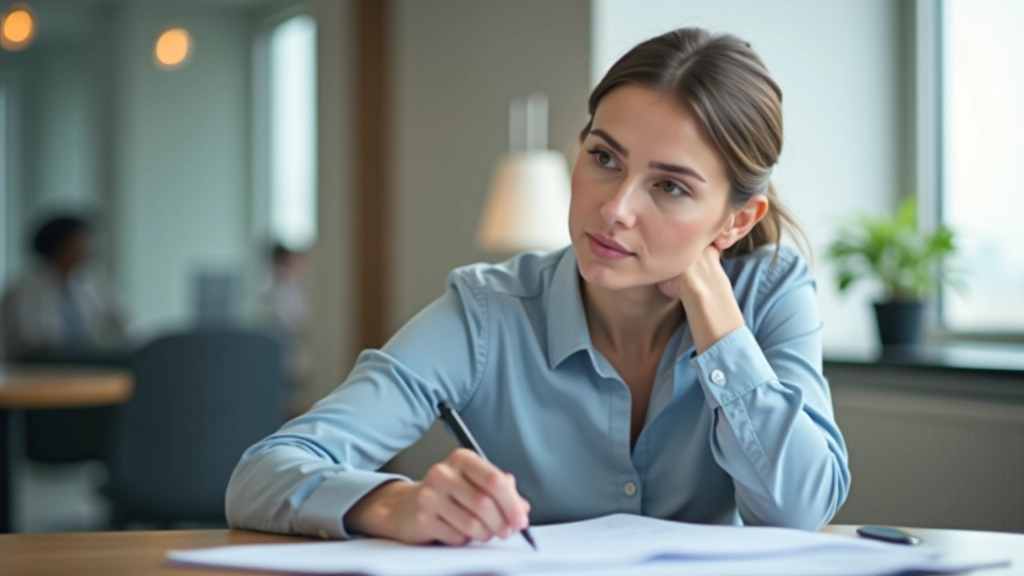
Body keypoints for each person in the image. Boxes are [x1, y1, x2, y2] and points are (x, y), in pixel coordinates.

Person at [225, 27, 851, 544]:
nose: (616, 209)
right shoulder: (487, 312)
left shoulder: (771, 290)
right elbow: (260, 476)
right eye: (604, 158)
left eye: (671, 186)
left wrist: (720, 324)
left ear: (737, 220)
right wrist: (395, 505)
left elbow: (801, 510)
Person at [1, 215, 130, 361]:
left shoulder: (91, 283)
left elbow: (124, 322)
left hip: (79, 367)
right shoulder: (23, 289)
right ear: (63, 244)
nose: (91, 247)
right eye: (83, 240)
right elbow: (33, 339)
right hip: (35, 370)